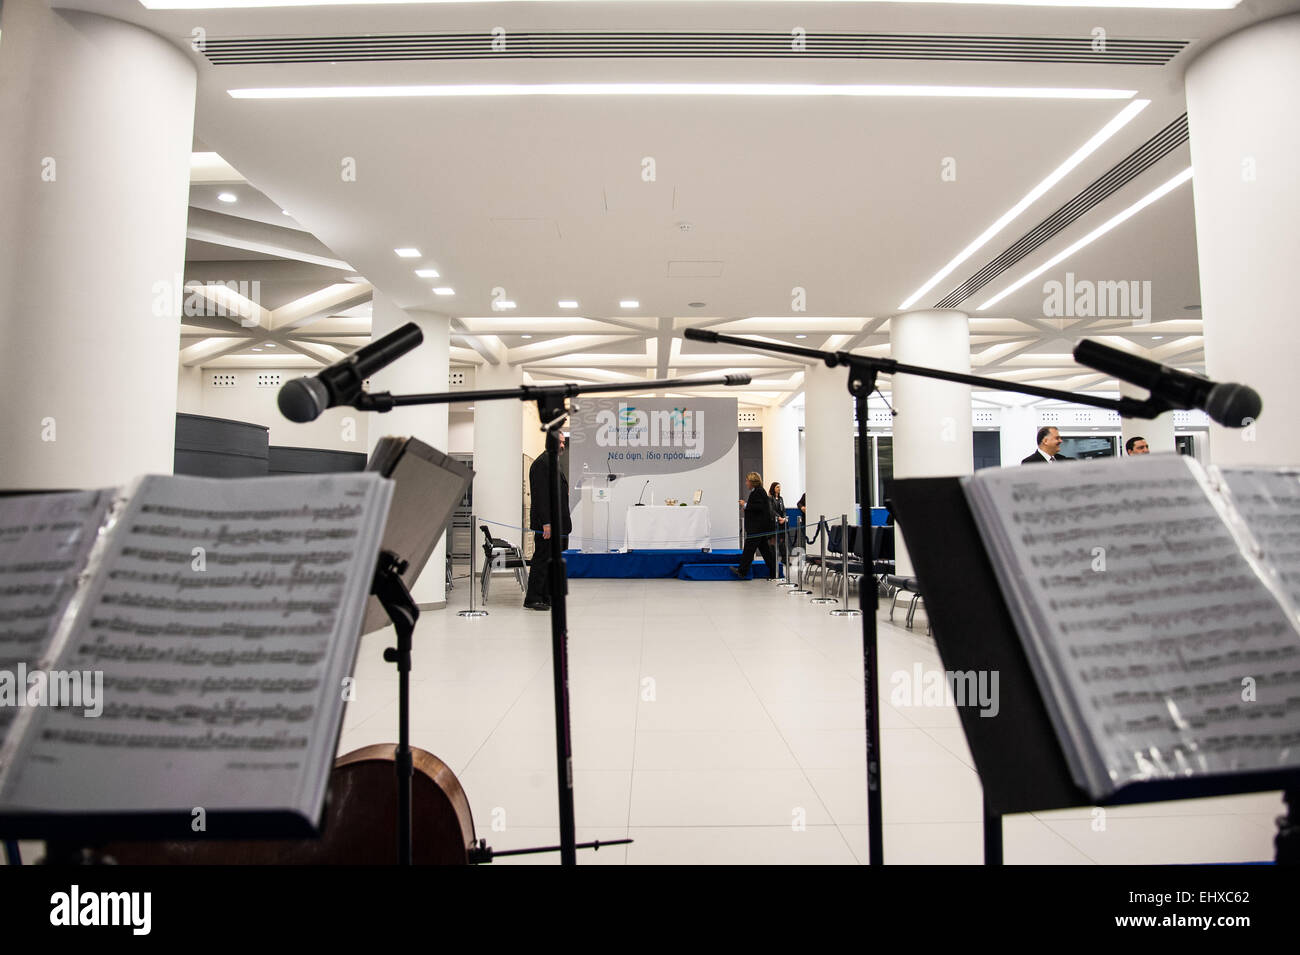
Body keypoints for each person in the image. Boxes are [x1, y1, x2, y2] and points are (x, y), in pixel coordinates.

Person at [524, 433, 572, 611]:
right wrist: (546, 523)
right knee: (542, 559)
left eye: (562, 442)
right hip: (547, 525)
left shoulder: (553, 463)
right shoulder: (541, 464)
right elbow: (541, 496)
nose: (562, 445)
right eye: (559, 442)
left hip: (557, 523)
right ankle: (533, 598)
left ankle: (546, 596)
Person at [731, 471, 777, 580]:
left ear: (752, 482)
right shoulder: (757, 492)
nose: (746, 483)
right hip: (758, 528)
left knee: (748, 549)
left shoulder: (759, 492)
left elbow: (759, 507)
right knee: (765, 551)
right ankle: (774, 572)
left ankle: (742, 571)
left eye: (747, 481)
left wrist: (745, 504)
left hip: (757, 528)